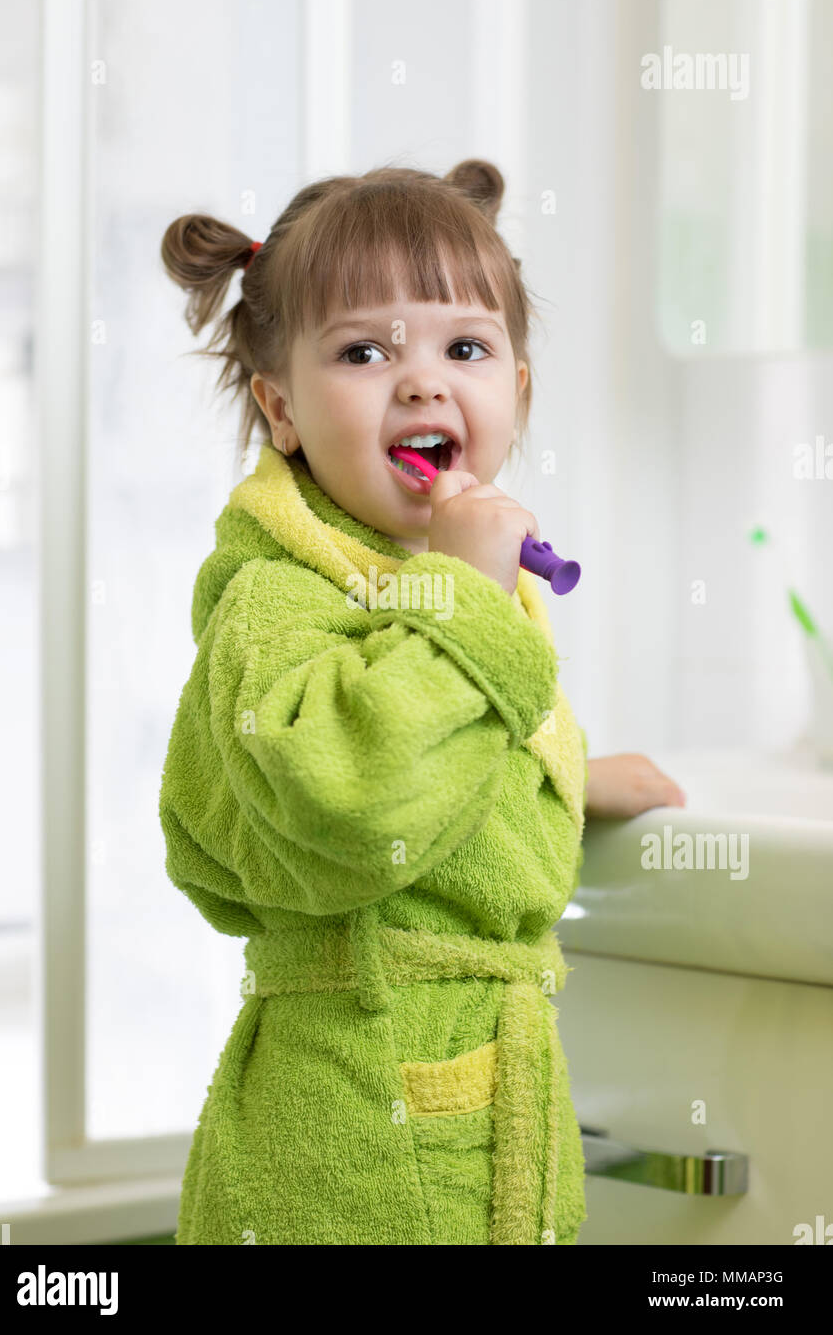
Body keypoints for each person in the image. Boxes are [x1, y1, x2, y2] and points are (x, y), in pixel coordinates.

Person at [158, 158, 686, 1245]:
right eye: (363, 351)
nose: (422, 381)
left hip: (481, 1086)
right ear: (280, 410)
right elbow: (348, 794)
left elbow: (438, 776)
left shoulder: (448, 580)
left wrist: (564, 779)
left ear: (519, 392)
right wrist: (461, 595)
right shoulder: (280, 597)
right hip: (352, 1127)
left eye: (465, 347)